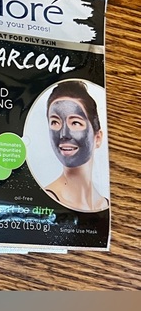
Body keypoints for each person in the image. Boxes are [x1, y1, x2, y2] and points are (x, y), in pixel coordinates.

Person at [45, 80, 109, 212]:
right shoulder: (45, 201)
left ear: (97, 138)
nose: (64, 134)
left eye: (75, 123)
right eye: (55, 122)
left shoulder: (106, 205)